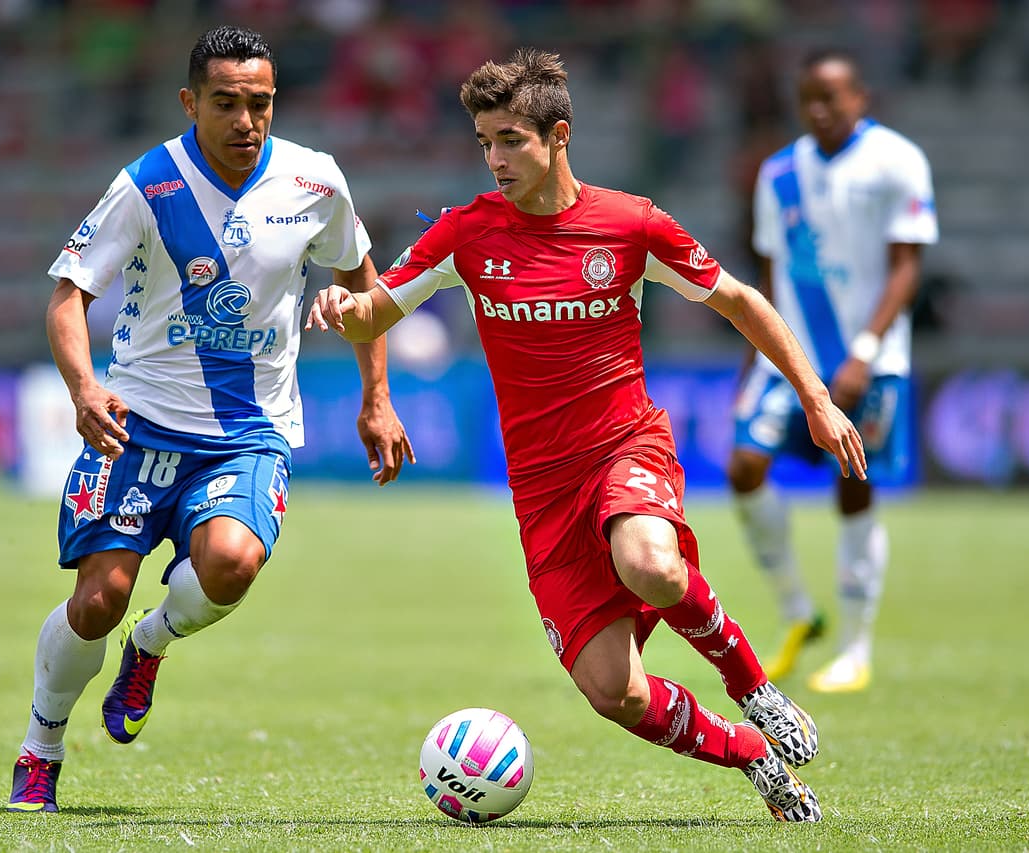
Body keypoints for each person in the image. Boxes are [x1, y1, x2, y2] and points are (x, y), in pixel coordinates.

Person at [308, 48, 869, 823]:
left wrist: (815, 398)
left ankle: (754, 687)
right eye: (485, 142)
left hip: (624, 447)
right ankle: (752, 754)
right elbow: (376, 310)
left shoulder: (631, 223)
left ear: (559, 136)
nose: (495, 159)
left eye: (511, 140)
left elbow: (740, 300)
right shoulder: (466, 233)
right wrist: (343, 309)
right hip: (544, 493)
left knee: (650, 563)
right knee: (616, 691)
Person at [7, 24, 414, 813]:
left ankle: (151, 644)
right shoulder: (146, 183)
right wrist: (84, 388)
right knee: (97, 602)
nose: (245, 120)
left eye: (259, 103)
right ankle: (41, 746)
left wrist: (377, 397)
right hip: (138, 425)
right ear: (190, 103)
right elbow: (68, 295)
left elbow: (362, 278)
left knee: (231, 562)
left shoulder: (316, 182)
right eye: (225, 102)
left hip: (249, 432)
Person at [727, 48, 938, 694]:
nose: (818, 110)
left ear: (860, 97)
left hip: (869, 360)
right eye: (807, 99)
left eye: (831, 97)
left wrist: (865, 351)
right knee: (743, 467)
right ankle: (798, 609)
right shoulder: (778, 174)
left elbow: (907, 267)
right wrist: (751, 358)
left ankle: (854, 646)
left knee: (853, 486)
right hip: (791, 358)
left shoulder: (897, 161)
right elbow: (767, 277)